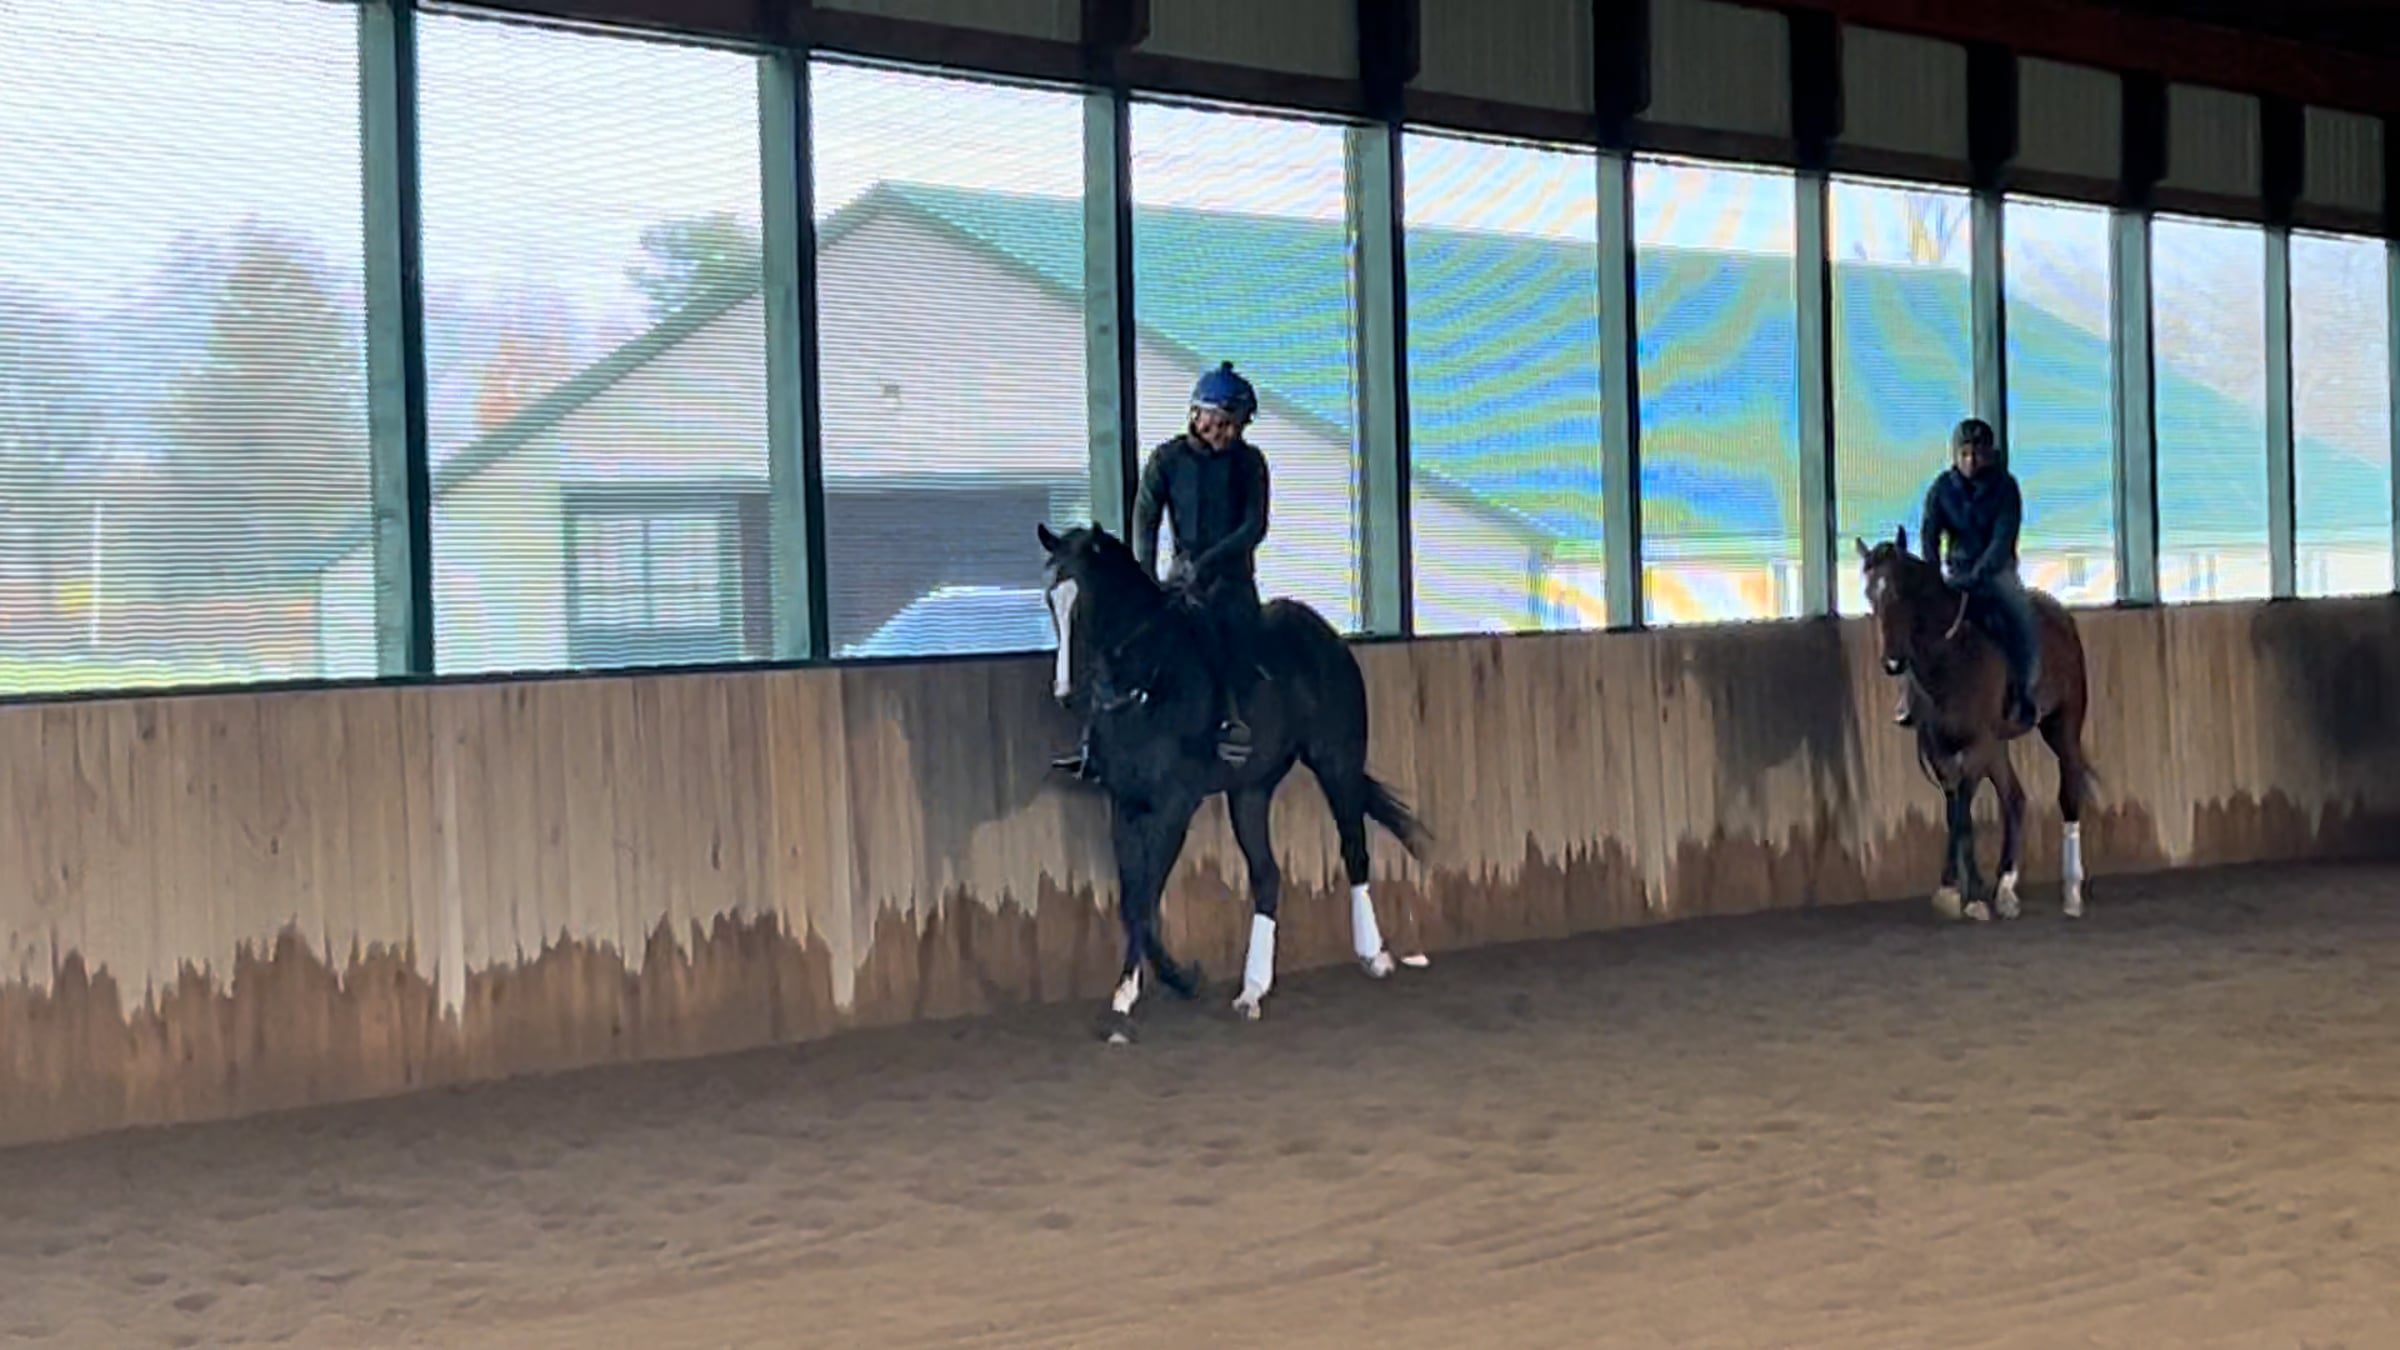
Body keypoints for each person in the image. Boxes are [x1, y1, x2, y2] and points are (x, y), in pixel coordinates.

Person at [1053, 361, 1271, 780]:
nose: (1228, 433)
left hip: (1230, 581)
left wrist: (1210, 562)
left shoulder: (1249, 463)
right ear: (1197, 414)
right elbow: (1146, 520)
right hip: (1180, 579)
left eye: (1236, 426)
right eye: (1222, 423)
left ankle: (1230, 721)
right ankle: (1095, 740)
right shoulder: (1167, 460)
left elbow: (1253, 526)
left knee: (1231, 638)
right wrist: (1147, 579)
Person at [1895, 416, 2039, 729]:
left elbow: (2003, 539)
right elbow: (1930, 531)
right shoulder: (1942, 488)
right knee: (1918, 622)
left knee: (2020, 619)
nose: (1971, 460)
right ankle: (1910, 696)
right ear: (1955, 456)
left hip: (1996, 573)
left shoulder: (2005, 487)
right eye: (1964, 454)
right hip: (1955, 573)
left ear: (1989, 454)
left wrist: (1980, 572)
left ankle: (2023, 693)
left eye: (1977, 453)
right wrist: (1933, 570)